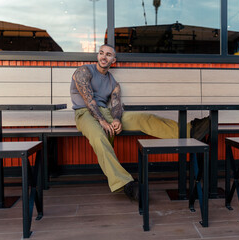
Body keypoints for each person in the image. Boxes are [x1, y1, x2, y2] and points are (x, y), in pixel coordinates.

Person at [70, 44, 208, 200]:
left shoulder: (113, 83)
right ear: (97, 56)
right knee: (99, 137)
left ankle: (190, 130)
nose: (103, 57)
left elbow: (115, 105)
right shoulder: (83, 71)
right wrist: (102, 121)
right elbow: (89, 101)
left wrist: (116, 119)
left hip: (105, 113)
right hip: (84, 113)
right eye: (101, 53)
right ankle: (125, 183)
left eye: (108, 55)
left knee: (144, 118)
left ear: (113, 60)